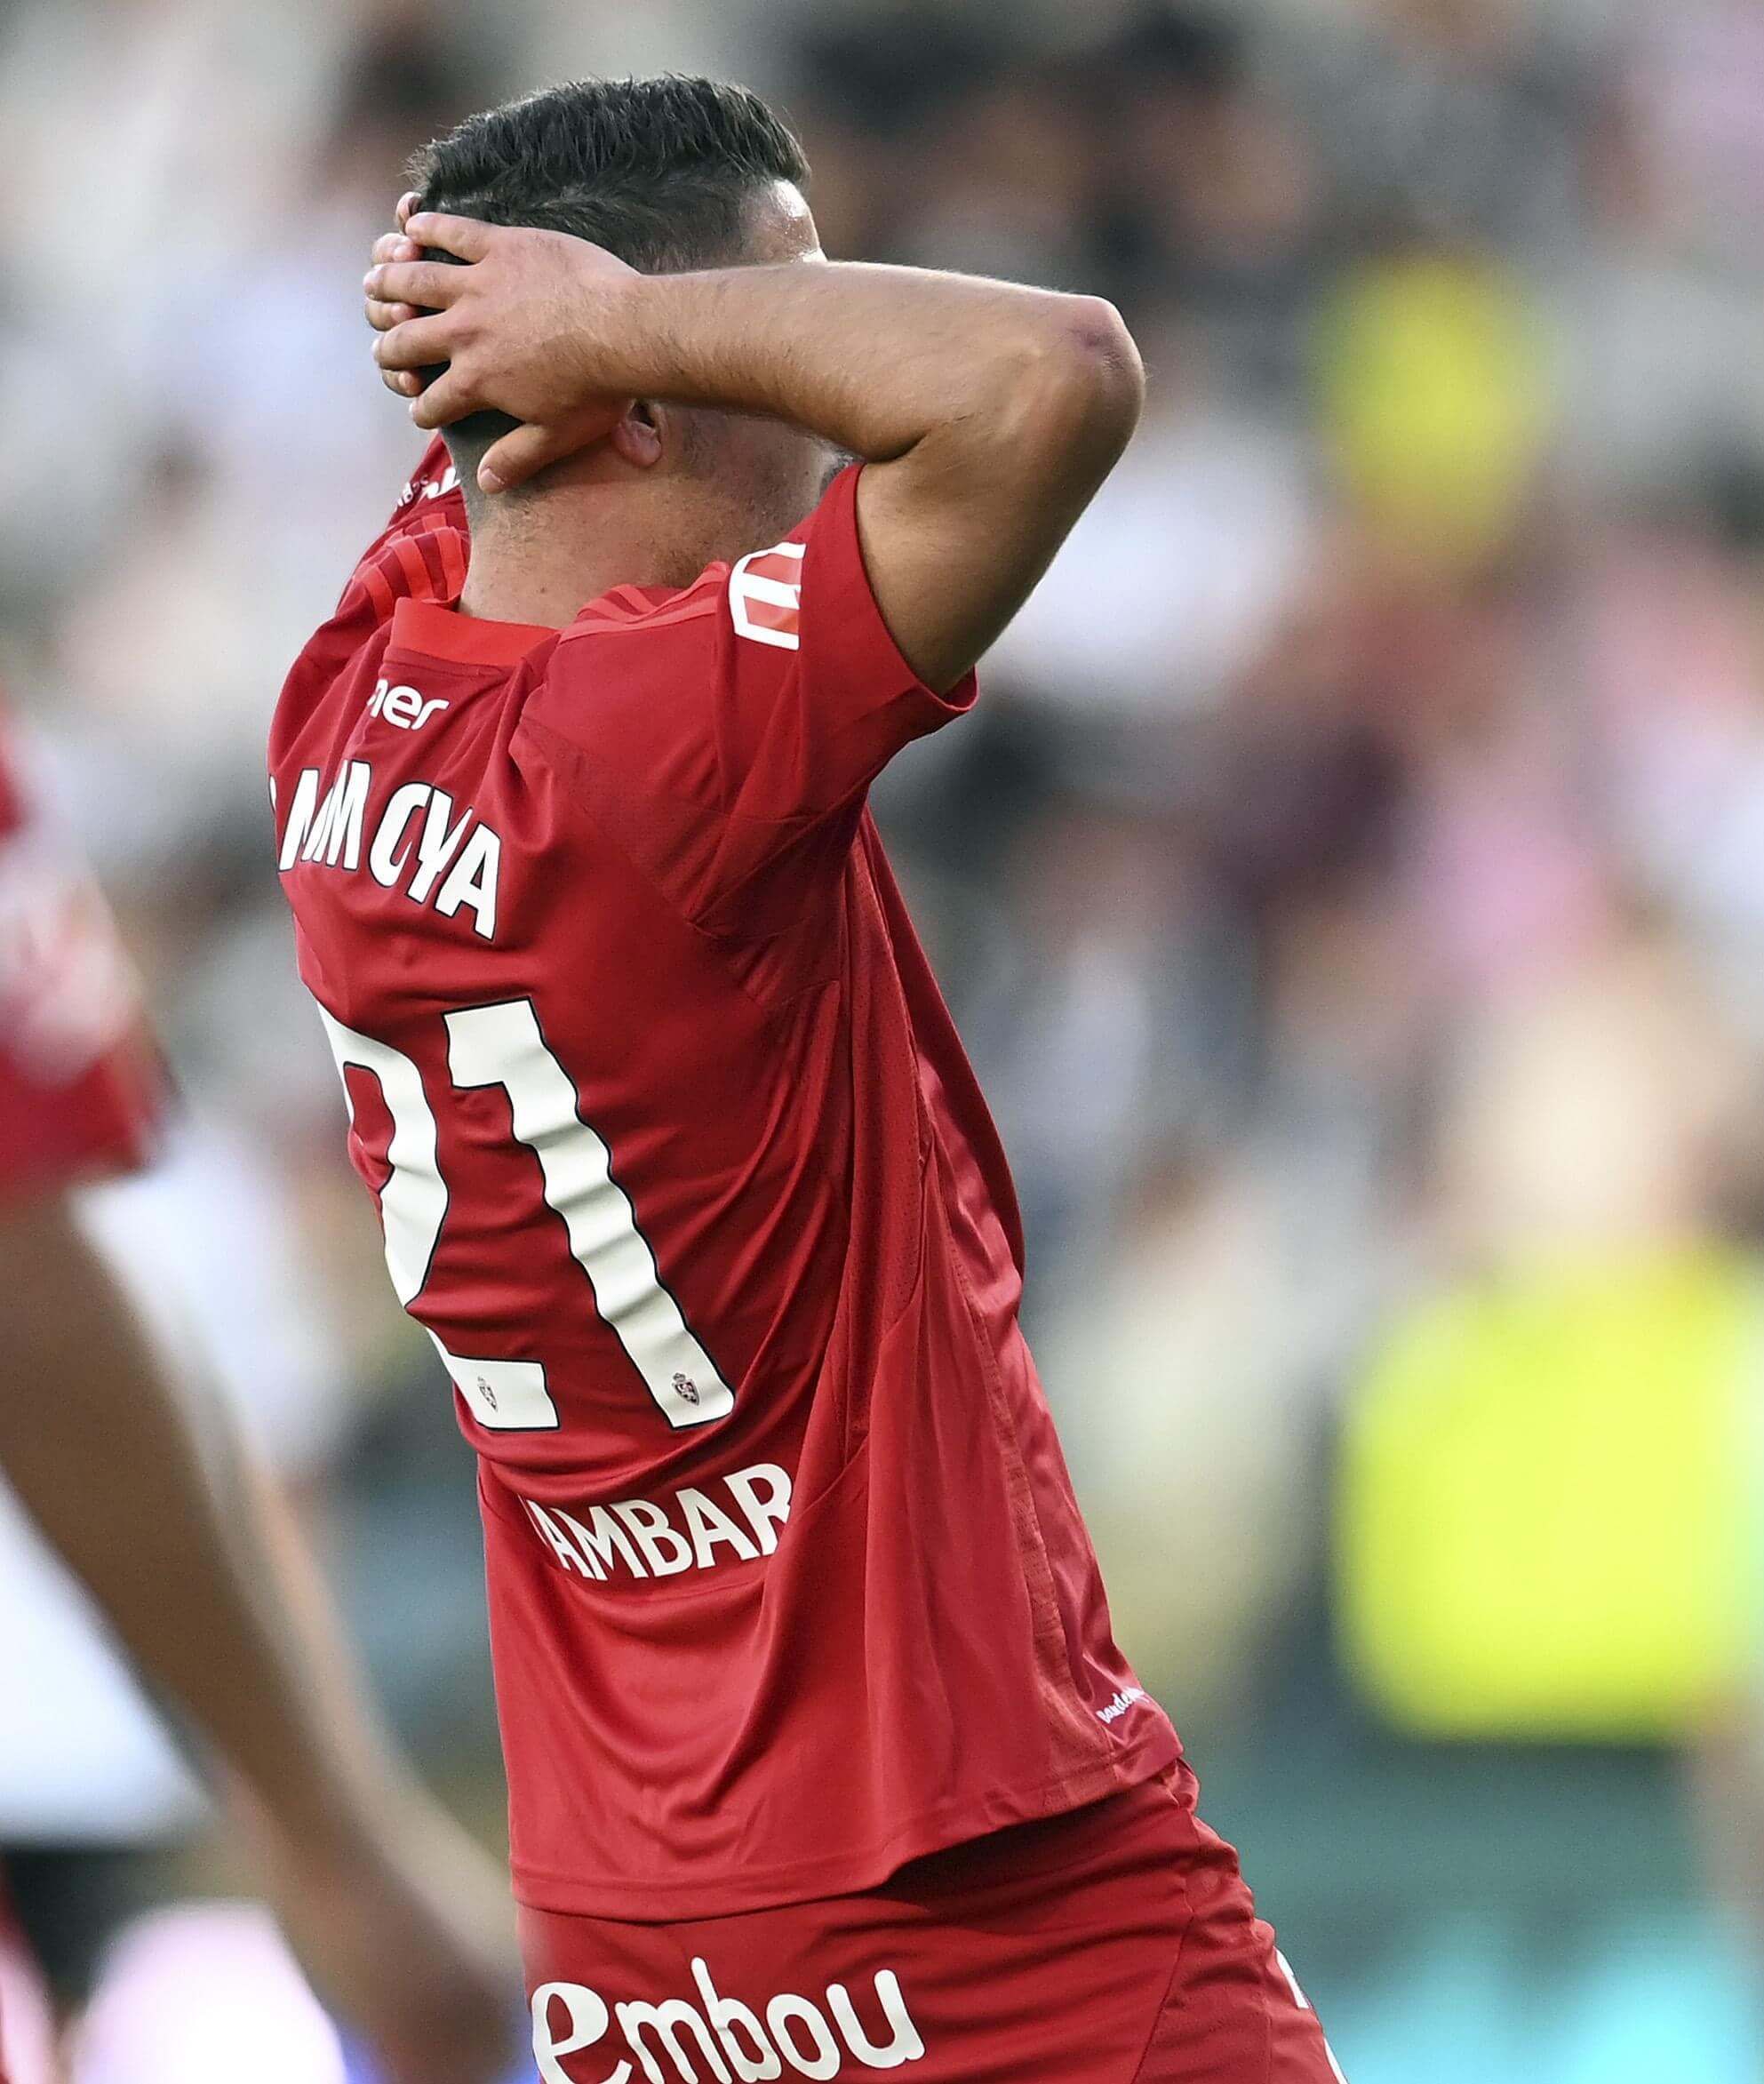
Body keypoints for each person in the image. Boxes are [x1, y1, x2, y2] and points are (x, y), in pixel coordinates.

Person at [283, 76, 1341, 2080]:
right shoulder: (671, 748)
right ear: (645, 389)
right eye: (794, 305)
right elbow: (1055, 376)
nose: (839, 359)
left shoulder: (343, 695)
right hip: (967, 1865)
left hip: (634, 1922)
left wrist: (554, 319)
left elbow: (498, 470)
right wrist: (616, 316)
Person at [0, 722, 518, 2084]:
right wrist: (336, 1835)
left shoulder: (199, 1199)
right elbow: (30, 1293)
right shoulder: (153, 1202)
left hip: (103, 1763)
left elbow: (274, 1496)